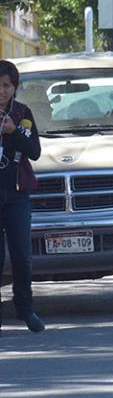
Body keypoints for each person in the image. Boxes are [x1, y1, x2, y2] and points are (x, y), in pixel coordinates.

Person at [0, 60, 44, 333]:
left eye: (6, 86)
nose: (1, 91)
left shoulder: (22, 113)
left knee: (21, 255)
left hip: (16, 195)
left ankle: (26, 310)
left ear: (14, 88)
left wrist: (13, 132)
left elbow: (34, 151)